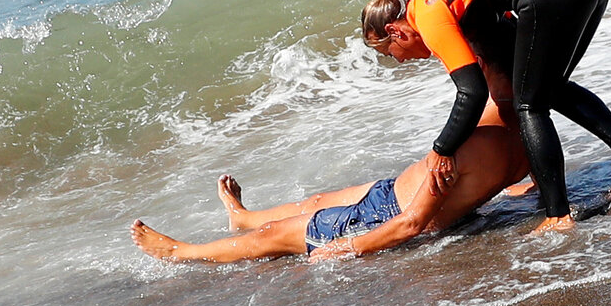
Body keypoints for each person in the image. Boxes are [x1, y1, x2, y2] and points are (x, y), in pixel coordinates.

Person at [362, 0, 611, 236]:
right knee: (544, 87)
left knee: (530, 103)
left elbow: (472, 92)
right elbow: (506, 59)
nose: (398, 61)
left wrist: (442, 149)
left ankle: (559, 215)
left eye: (389, 53)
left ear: (395, 31)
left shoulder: (427, 14)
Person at [129, 117, 525, 263]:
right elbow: (513, 173)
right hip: (390, 193)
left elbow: (411, 225)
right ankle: (242, 217)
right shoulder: (526, 130)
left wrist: (352, 247)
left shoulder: (475, 129)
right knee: (314, 203)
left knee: (277, 237)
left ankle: (180, 251)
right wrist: (516, 192)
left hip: (385, 216)